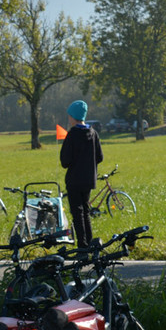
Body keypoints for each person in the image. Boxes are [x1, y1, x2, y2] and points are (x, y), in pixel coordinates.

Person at [60, 100, 103, 248]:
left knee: (77, 213)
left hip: (74, 180)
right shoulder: (93, 133)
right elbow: (100, 157)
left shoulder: (72, 135)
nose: (68, 119)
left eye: (69, 116)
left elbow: (65, 161)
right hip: (88, 180)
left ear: (73, 117)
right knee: (86, 211)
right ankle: (90, 243)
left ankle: (82, 246)